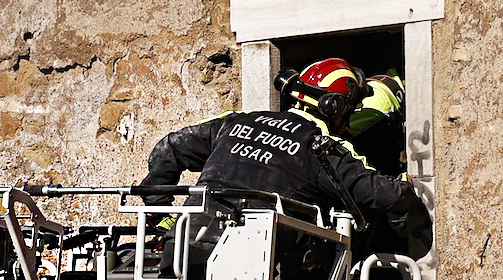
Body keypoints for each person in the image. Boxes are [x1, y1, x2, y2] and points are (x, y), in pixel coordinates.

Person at [138, 57, 430, 257]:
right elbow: (380, 193)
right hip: (249, 267)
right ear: (336, 108)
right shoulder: (321, 147)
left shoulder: (235, 121)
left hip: (181, 247)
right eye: (351, 109)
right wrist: (409, 187)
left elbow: (169, 149)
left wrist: (163, 214)